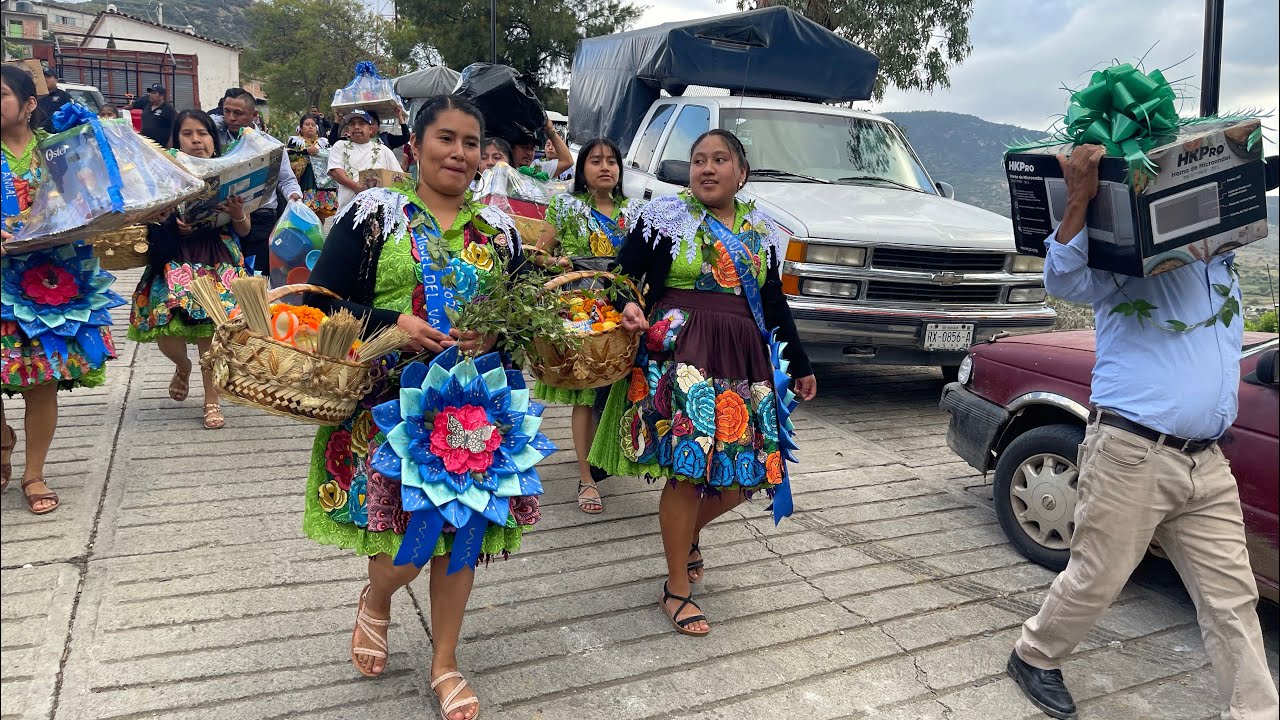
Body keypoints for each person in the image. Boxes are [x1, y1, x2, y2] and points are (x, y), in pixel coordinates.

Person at [1005, 145, 1280, 720]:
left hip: (1206, 462)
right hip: (1133, 451)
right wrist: (1080, 197)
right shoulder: (1131, 257)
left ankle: (1253, 712)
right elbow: (1063, 277)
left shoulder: (1222, 262)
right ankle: (1035, 654)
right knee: (1097, 578)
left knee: (1232, 599)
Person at [301, 94, 529, 720]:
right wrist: (391, 322)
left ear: (484, 156)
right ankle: (378, 600)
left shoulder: (498, 231)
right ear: (416, 146)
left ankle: (446, 661)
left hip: (475, 411)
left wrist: (497, 336)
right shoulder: (374, 216)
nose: (458, 153)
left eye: (470, 142)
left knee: (461, 537)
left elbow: (516, 317)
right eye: (445, 139)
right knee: (403, 543)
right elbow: (320, 300)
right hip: (389, 406)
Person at [588, 129, 817, 635]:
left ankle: (685, 535)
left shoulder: (762, 231)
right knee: (688, 472)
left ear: (741, 172)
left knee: (747, 473)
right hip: (681, 360)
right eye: (697, 161)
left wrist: (800, 364)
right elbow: (620, 274)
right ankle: (676, 587)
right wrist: (626, 302)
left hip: (742, 359)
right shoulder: (664, 218)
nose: (706, 169)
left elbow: (773, 301)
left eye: (719, 160)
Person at [1, 65, 123, 514]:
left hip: (48, 280)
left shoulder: (58, 152)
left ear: (30, 104)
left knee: (41, 380)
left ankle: (33, 474)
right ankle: (3, 440)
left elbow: (86, 205)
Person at [533, 138, 642, 514]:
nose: (605, 167)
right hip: (582, 310)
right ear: (582, 169)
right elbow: (541, 257)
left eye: (612, 161)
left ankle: (605, 456)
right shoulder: (565, 206)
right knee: (585, 391)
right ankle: (586, 478)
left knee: (618, 388)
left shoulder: (635, 212)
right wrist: (559, 264)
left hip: (624, 310)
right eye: (595, 161)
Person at [128, 110, 251, 431]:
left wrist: (238, 212)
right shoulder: (164, 173)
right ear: (176, 140)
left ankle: (212, 400)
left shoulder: (229, 173)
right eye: (187, 133)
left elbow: (246, 228)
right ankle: (182, 365)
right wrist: (167, 220)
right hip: (175, 260)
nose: (196, 140)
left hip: (217, 259)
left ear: (214, 139)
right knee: (168, 331)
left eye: (203, 133)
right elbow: (144, 216)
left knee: (210, 335)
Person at [213, 88, 302, 275]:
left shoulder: (272, 146)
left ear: (254, 115)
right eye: (226, 111)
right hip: (222, 218)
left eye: (238, 113)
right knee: (225, 278)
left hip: (260, 218)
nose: (231, 118)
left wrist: (294, 197)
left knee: (257, 278)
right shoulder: (213, 136)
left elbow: (286, 181)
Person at [327, 109, 402, 212]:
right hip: (346, 211)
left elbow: (399, 179)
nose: (356, 127)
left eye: (362, 124)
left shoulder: (384, 151)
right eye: (352, 124)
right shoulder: (340, 146)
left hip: (377, 213)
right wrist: (356, 187)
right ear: (348, 130)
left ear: (370, 129)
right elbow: (335, 171)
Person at [288, 115, 336, 220]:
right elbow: (290, 156)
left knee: (320, 213)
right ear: (300, 128)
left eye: (313, 125)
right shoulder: (295, 142)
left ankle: (320, 234)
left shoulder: (323, 143)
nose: (310, 127)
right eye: (307, 124)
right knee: (305, 212)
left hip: (320, 181)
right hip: (304, 179)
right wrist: (305, 152)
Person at [36, 67, 73, 132]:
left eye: (48, 77)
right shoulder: (35, 96)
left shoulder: (64, 96)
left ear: (56, 80)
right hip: (37, 133)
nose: (45, 79)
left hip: (56, 134)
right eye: (43, 77)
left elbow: (69, 117)